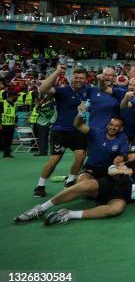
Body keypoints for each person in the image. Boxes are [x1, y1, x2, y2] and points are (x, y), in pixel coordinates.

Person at [14, 145, 135, 225]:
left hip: (121, 196)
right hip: (109, 184)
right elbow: (111, 169)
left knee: (116, 209)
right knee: (83, 186)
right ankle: (41, 208)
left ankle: (69, 215)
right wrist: (121, 170)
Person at [34, 65, 92, 197]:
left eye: (81, 78)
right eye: (76, 77)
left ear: (86, 79)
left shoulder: (88, 91)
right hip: (60, 130)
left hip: (78, 130)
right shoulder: (63, 90)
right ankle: (40, 185)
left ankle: (70, 181)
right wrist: (57, 72)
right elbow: (43, 88)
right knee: (54, 159)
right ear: (72, 78)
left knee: (81, 156)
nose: (78, 80)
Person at [73, 103, 129, 182]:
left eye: (116, 126)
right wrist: (80, 113)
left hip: (109, 170)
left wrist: (121, 157)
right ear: (107, 125)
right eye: (111, 124)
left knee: (122, 168)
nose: (112, 128)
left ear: (121, 128)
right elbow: (78, 125)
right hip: (91, 168)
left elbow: (125, 154)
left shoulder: (122, 138)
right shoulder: (97, 133)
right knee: (82, 180)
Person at [30, 92, 57, 157]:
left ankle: (43, 152)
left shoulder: (51, 104)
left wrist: (40, 103)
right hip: (46, 123)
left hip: (45, 123)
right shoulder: (51, 104)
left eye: (44, 97)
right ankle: (44, 151)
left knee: (42, 138)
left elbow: (38, 110)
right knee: (44, 138)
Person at [0, 90, 18, 158]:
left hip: (11, 124)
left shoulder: (14, 104)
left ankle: (7, 153)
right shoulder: (2, 103)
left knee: (9, 140)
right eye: (16, 96)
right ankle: (5, 152)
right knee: (3, 140)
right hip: (3, 125)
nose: (17, 98)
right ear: (12, 96)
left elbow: (14, 114)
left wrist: (16, 123)